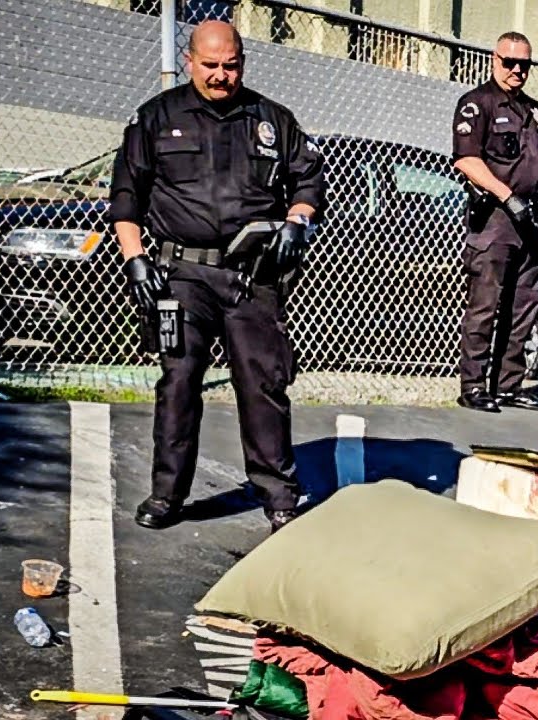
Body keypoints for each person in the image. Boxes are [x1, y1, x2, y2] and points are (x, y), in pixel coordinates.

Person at [109, 21, 326, 534]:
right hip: (180, 274)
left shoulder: (272, 119)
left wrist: (298, 219)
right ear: (189, 61)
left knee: (263, 383)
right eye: (210, 65)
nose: (221, 75)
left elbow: (309, 180)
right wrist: (134, 256)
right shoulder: (156, 118)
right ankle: (167, 495)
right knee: (179, 381)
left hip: (253, 275)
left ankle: (278, 495)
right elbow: (126, 194)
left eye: (230, 65)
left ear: (242, 61)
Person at [451, 31, 538, 413]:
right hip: (495, 221)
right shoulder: (478, 104)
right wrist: (507, 197)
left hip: (532, 223)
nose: (517, 70)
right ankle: (473, 386)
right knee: (485, 305)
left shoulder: (535, 112)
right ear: (495, 60)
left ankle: (508, 385)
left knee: (525, 306)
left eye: (524, 64)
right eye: (509, 62)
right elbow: (466, 160)